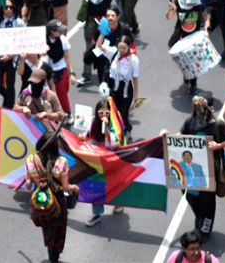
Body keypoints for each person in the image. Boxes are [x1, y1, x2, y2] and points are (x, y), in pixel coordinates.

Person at [181, 96, 225, 240]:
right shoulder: (190, 122)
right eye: (194, 107)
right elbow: (181, 135)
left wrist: (218, 145)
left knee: (207, 199)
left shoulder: (217, 125)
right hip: (191, 167)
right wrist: (166, 135)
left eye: (200, 107)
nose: (197, 110)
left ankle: (207, 224)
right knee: (190, 195)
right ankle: (199, 216)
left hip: (210, 168)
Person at [26, 131, 78, 263]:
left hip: (41, 200)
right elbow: (65, 187)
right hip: (57, 200)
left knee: (47, 228)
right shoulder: (61, 162)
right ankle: (55, 255)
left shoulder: (31, 160)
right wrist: (75, 188)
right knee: (58, 229)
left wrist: (34, 179)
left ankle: (51, 253)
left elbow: (28, 184)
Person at [80, 99, 125, 227]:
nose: (103, 116)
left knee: (113, 183)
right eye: (101, 113)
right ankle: (96, 214)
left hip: (110, 161)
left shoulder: (113, 126)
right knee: (96, 185)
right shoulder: (94, 122)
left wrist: (106, 129)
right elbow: (88, 135)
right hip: (97, 161)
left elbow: (113, 143)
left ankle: (118, 203)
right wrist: (83, 136)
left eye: (106, 113)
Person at [167, 0, 209, 94]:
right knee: (182, 58)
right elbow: (168, 17)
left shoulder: (199, 6)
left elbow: (206, 17)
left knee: (193, 60)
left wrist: (206, 28)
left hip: (195, 37)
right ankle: (186, 73)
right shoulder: (178, 3)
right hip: (181, 35)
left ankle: (193, 82)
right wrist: (172, 10)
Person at [0, 0, 25, 109]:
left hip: (12, 59)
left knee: (10, 86)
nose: (8, 9)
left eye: (11, 7)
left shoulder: (19, 23)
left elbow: (22, 42)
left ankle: (9, 107)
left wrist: (10, 55)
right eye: (6, 7)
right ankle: (8, 99)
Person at [107, 35, 140, 134]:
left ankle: (127, 130)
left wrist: (137, 96)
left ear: (129, 47)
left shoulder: (134, 60)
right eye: (119, 47)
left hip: (126, 89)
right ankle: (114, 133)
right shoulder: (114, 53)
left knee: (123, 114)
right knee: (112, 113)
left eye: (124, 48)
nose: (121, 50)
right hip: (113, 87)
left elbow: (135, 79)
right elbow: (99, 47)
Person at [44, 19, 74, 117]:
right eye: (58, 30)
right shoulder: (43, 42)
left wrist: (72, 74)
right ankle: (60, 115)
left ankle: (64, 114)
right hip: (50, 73)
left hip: (62, 71)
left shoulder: (63, 40)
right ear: (52, 32)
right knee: (55, 96)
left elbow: (68, 58)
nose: (61, 32)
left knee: (63, 94)